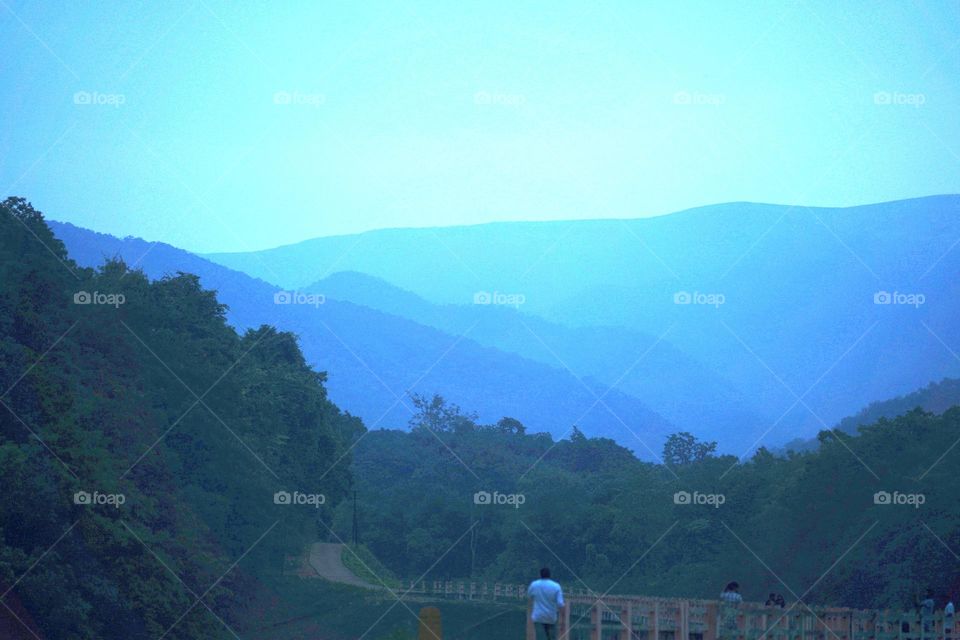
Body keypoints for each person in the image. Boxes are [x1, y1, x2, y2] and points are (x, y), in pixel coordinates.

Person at [528, 567, 565, 640]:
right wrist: (563, 619)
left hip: (538, 616)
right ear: (550, 575)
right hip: (551, 617)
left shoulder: (534, 585)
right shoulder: (556, 586)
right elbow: (560, 603)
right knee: (551, 637)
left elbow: (529, 595)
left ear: (540, 575)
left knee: (539, 637)